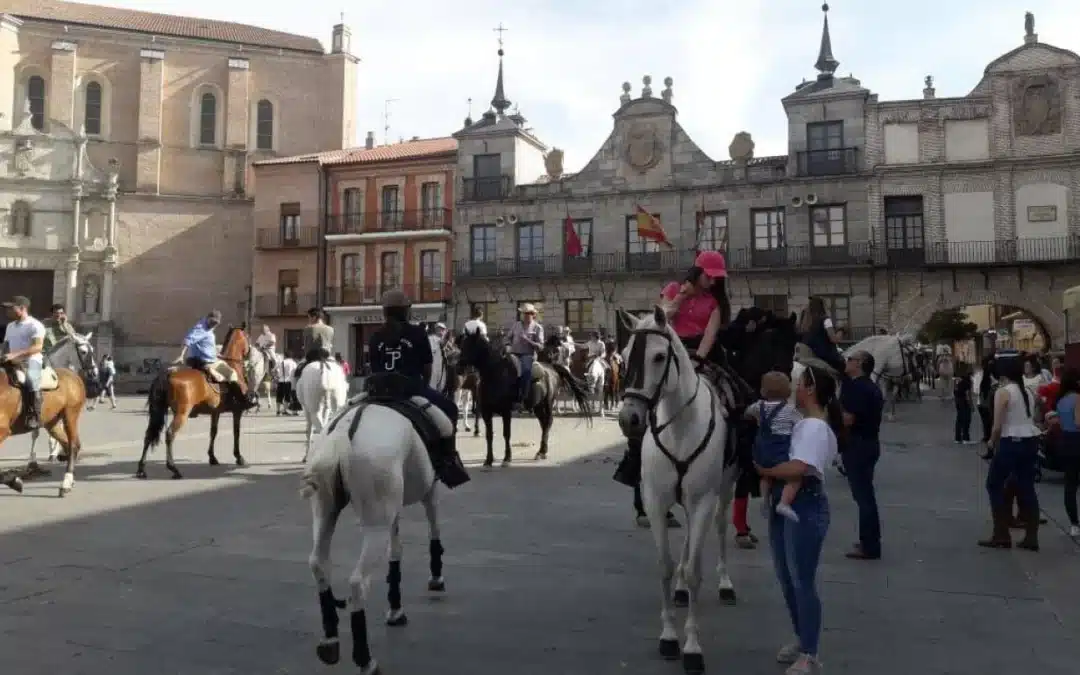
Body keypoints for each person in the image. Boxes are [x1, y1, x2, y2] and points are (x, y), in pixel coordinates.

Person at [613, 250, 733, 489]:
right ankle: (635, 460)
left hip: (703, 353)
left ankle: (733, 454)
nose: (713, 281)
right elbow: (660, 319)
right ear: (697, 272)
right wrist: (681, 296)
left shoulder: (715, 303)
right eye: (709, 276)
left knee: (733, 395)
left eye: (717, 278)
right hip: (670, 349)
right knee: (647, 398)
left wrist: (698, 360)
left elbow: (709, 336)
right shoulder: (673, 289)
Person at [755, 365, 842, 675]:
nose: (795, 388)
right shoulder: (803, 423)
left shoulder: (814, 427)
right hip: (788, 500)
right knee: (787, 577)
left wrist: (765, 471)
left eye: (800, 383)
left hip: (805, 504)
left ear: (810, 389)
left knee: (802, 580)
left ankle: (810, 651)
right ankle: (802, 638)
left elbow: (799, 468)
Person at [367, 289, 469, 488]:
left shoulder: (375, 336)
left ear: (385, 312)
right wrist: (423, 386)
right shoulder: (417, 333)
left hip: (377, 391)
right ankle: (447, 462)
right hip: (409, 389)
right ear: (406, 311)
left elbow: (373, 367)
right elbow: (427, 367)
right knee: (450, 408)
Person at [978, 354, 1041, 551]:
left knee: (994, 484)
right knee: (1026, 487)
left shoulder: (1003, 392)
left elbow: (997, 426)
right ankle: (1031, 536)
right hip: (1030, 439)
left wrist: (991, 442)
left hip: (1010, 441)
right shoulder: (1027, 391)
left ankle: (1001, 534)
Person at [839, 349, 885, 560]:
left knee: (864, 497)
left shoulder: (857, 388)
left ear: (860, 364)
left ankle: (870, 546)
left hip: (858, 444)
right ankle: (869, 540)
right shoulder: (870, 387)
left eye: (850, 359)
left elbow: (849, 419)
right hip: (869, 443)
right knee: (865, 495)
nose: (847, 361)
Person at [746, 371, 804, 522]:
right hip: (781, 451)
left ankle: (765, 500)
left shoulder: (758, 406)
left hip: (762, 451)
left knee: (766, 476)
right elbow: (801, 424)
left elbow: (748, 412)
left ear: (763, 390)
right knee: (794, 478)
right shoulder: (790, 410)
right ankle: (784, 503)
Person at [175, 310, 255, 410]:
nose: (214, 324)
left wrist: (216, 353)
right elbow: (188, 340)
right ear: (208, 318)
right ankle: (239, 401)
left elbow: (204, 344)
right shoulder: (201, 328)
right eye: (213, 322)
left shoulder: (207, 325)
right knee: (232, 373)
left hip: (207, 358)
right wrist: (181, 355)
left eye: (216, 323)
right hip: (207, 362)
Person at [1, 295, 47, 429]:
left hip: (31, 360)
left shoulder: (35, 325)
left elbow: (37, 347)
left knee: (32, 381)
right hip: (11, 359)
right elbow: (6, 345)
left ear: (22, 308)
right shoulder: (10, 326)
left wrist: (15, 354)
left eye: (11, 308)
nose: (7, 311)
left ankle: (34, 415)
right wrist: (3, 354)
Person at [1049, 368, 1080, 538]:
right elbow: (1079, 422)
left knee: (1070, 485)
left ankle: (1074, 524)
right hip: (1077, 440)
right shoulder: (1078, 398)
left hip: (1065, 442)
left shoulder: (1060, 401)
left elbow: (1061, 424)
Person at [506, 303, 544, 406]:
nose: (525, 315)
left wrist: (528, 340)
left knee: (526, 371)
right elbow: (507, 338)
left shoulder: (538, 327)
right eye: (524, 313)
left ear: (533, 314)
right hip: (513, 353)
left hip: (528, 354)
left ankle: (523, 398)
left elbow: (541, 347)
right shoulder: (516, 325)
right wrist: (507, 345)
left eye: (528, 313)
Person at [795, 297, 845, 376]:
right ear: (822, 307)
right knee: (844, 368)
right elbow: (834, 339)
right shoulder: (826, 320)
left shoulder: (804, 322)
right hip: (825, 357)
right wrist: (841, 330)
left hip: (806, 357)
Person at [294, 307, 334, 381]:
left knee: (296, 374)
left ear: (314, 317)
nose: (309, 320)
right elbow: (330, 344)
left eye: (309, 318)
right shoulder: (331, 329)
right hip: (326, 356)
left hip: (312, 356)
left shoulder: (308, 329)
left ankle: (296, 387)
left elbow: (307, 346)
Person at [953, 361, 974, 444]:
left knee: (959, 419)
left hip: (958, 400)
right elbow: (968, 393)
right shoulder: (967, 379)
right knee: (966, 419)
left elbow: (955, 390)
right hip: (964, 401)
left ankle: (957, 438)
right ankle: (966, 437)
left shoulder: (957, 379)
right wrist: (971, 404)